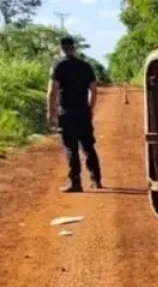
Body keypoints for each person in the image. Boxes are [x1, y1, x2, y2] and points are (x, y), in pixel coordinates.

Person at [47, 36, 102, 193]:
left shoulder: (58, 66)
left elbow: (52, 91)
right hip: (83, 112)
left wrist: (50, 113)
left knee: (71, 148)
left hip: (66, 113)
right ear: (73, 47)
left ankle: (76, 183)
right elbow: (93, 90)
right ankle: (96, 180)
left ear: (61, 48)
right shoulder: (86, 66)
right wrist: (90, 108)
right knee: (88, 146)